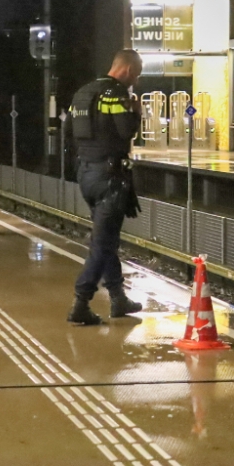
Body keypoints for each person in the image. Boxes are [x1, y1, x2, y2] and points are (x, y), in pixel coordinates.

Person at [65, 49, 145, 325]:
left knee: (106, 238)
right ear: (128, 69)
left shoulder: (82, 94)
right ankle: (81, 302)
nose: (136, 79)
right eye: (136, 73)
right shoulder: (118, 94)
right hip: (111, 176)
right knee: (102, 243)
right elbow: (126, 131)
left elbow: (68, 134)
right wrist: (137, 113)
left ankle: (118, 297)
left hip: (86, 173)